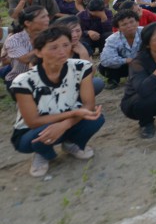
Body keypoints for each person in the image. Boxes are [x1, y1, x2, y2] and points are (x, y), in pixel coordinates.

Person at [10, 26, 105, 177]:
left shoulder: (82, 67)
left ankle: (72, 143)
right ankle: (43, 153)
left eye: (66, 45)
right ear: (39, 52)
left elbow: (89, 105)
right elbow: (33, 121)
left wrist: (65, 124)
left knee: (96, 118)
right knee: (40, 134)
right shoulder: (23, 81)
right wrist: (74, 113)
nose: (62, 51)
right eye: (53, 47)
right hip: (32, 131)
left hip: (67, 118)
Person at [2, 6, 52, 88]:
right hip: (19, 80)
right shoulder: (14, 39)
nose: (48, 19)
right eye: (43, 17)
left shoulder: (50, 34)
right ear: (28, 23)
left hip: (46, 77)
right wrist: (46, 45)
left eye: (47, 16)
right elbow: (25, 59)